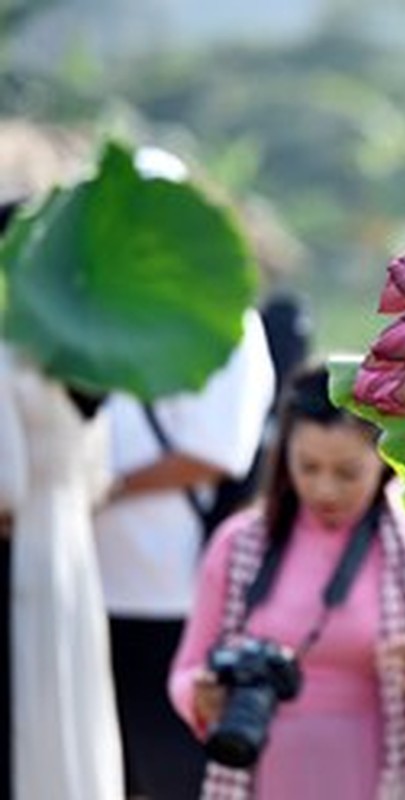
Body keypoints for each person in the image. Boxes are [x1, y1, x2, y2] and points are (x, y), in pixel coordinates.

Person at [168, 364, 405, 798]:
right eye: (308, 467)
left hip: (386, 778)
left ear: (384, 462)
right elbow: (184, 674)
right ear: (284, 458)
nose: (325, 489)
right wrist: (202, 693)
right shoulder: (238, 544)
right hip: (265, 775)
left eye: (347, 472)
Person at [94, 304, 276, 800]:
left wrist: (96, 487)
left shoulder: (224, 320)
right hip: (85, 593)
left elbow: (216, 452)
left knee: (172, 774)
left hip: (173, 599)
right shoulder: (92, 307)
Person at [1, 268, 124, 800]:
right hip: (74, 534)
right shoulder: (87, 354)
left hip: (28, 537)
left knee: (33, 690)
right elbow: (101, 475)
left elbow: (6, 483)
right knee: (76, 691)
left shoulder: (11, 350)